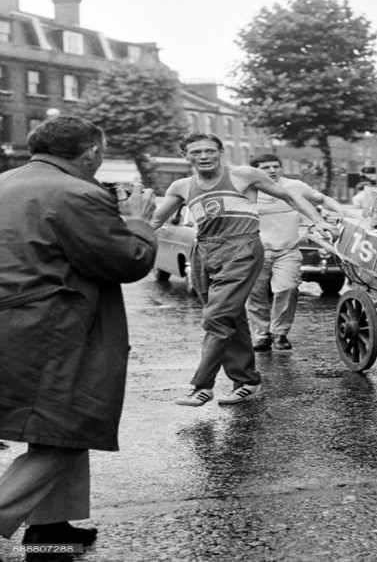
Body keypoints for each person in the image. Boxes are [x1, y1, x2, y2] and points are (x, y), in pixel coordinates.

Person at [0, 115, 157, 548]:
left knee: (55, 426)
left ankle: (49, 530)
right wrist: (140, 220)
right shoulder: (78, 192)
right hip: (52, 328)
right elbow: (127, 260)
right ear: (91, 153)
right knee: (70, 427)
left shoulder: (6, 180)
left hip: (15, 323)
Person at [152, 133, 334, 407]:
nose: (203, 156)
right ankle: (247, 381)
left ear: (220, 152)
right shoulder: (180, 186)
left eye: (209, 151)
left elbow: (288, 195)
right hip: (203, 251)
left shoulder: (244, 175)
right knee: (230, 317)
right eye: (196, 152)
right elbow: (154, 219)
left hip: (242, 248)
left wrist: (318, 220)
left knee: (216, 316)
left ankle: (201, 385)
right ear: (185, 156)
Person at [246, 154, 344, 352]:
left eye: (276, 166)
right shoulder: (246, 189)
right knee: (255, 294)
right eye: (266, 167)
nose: (272, 171)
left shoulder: (295, 187)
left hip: (287, 250)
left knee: (287, 288)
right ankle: (261, 334)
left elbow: (322, 199)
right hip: (255, 251)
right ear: (255, 170)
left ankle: (279, 333)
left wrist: (341, 212)